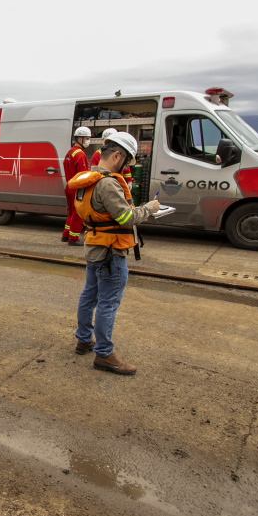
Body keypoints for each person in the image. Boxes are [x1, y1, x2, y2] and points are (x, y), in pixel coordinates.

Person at [68, 131, 160, 375]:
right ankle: (104, 354)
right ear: (117, 155)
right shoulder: (108, 183)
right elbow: (126, 218)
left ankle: (84, 339)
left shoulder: (88, 178)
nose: (126, 166)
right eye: (127, 160)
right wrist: (149, 209)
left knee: (89, 295)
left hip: (94, 248)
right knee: (108, 303)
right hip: (110, 253)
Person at [62, 127, 91, 246]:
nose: (88, 141)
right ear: (80, 139)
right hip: (77, 189)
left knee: (71, 213)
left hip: (69, 186)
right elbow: (83, 175)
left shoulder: (70, 152)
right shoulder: (80, 154)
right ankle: (73, 238)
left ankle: (66, 234)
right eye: (87, 139)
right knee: (78, 213)